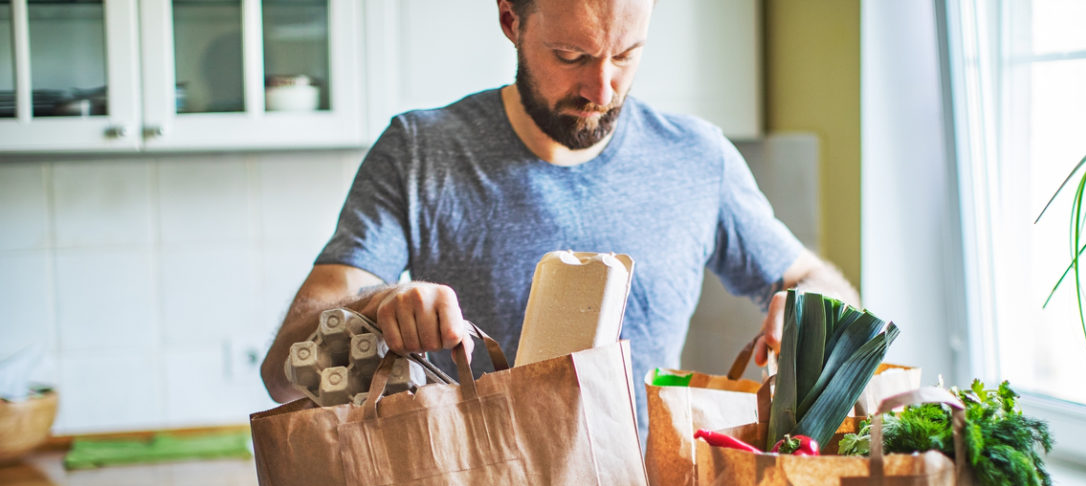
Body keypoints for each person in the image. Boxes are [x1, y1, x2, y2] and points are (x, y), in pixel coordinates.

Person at [260, 0, 858, 429]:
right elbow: (284, 372)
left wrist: (811, 310)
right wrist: (374, 309)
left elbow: (825, 288)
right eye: (571, 55)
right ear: (510, 21)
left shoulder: (698, 158)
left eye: (625, 55)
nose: (601, 88)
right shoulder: (421, 152)